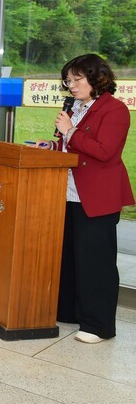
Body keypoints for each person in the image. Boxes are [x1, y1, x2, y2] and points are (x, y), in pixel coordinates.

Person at [32, 53, 133, 344]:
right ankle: (70, 312)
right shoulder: (76, 106)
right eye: (68, 80)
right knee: (70, 258)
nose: (71, 85)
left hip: (97, 196)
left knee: (96, 263)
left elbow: (104, 151)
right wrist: (52, 143)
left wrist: (70, 132)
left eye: (77, 79)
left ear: (96, 78)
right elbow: (71, 146)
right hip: (68, 192)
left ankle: (98, 325)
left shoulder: (114, 110)